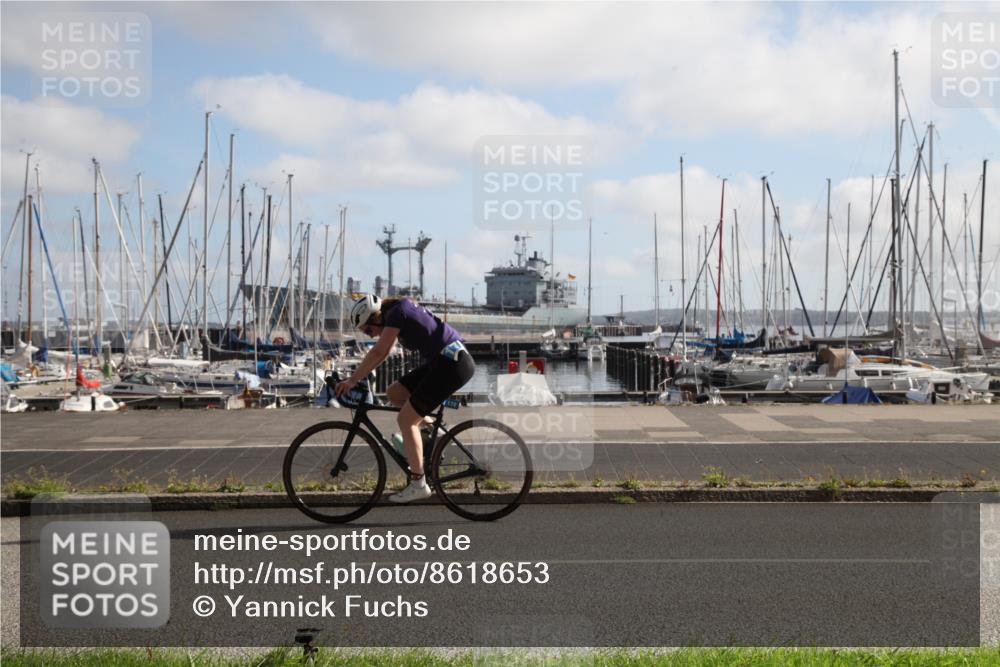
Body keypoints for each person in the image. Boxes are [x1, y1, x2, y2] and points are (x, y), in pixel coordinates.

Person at [335, 294, 474, 502]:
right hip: (443, 361)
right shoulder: (396, 313)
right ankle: (430, 433)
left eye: (368, 330)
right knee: (395, 393)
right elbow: (384, 350)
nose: (371, 335)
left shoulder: (397, 313)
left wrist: (353, 380)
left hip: (452, 364)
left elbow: (379, 352)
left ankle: (419, 484)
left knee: (406, 420)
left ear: (375, 317)